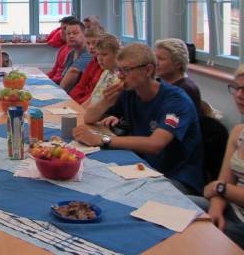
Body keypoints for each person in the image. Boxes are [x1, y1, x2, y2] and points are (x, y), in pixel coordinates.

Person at [74, 43, 203, 195]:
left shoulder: (176, 101)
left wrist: (102, 140)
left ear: (148, 70)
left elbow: (155, 144)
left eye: (126, 70)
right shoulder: (131, 92)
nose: (120, 76)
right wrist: (106, 101)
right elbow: (89, 118)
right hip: (142, 165)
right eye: (119, 70)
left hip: (175, 175)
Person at [189, 65, 244, 248]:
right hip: (230, 208)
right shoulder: (238, 133)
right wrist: (215, 209)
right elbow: (224, 181)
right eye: (236, 88)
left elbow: (220, 186)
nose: (239, 95)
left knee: (193, 239)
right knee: (172, 205)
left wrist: (220, 188)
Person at [155, 38, 202, 116]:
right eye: (155, 58)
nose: (156, 63)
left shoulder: (186, 90)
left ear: (178, 64)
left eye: (161, 59)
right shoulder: (160, 83)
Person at [68, 27, 104, 104]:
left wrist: (76, 104)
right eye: (88, 43)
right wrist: (70, 101)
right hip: (81, 102)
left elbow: (94, 96)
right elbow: (80, 86)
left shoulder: (105, 66)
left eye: (94, 43)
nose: (91, 47)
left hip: (88, 104)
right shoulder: (92, 63)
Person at [87, 33, 121, 107]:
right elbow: (91, 98)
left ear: (116, 54)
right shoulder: (106, 72)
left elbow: (103, 107)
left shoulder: (119, 78)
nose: (99, 59)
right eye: (98, 54)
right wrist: (77, 111)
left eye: (104, 54)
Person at [59, 19, 93, 92]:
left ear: (84, 35)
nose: (71, 36)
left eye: (75, 33)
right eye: (68, 33)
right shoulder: (71, 53)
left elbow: (73, 72)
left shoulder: (89, 53)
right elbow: (63, 76)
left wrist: (57, 93)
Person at [47, 16, 77, 84]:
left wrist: (49, 82)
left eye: (65, 28)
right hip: (53, 81)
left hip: (59, 84)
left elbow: (66, 77)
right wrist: (43, 78)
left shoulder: (76, 51)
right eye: (61, 28)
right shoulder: (62, 48)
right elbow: (54, 71)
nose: (62, 31)